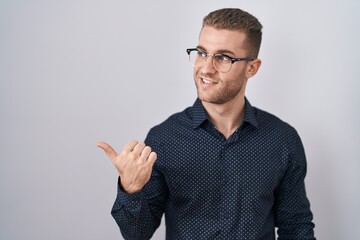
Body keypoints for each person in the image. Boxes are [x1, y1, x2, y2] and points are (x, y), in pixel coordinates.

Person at [97, 8, 316, 239]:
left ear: (251, 67)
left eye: (223, 57)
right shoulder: (164, 139)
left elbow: (296, 227)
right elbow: (136, 234)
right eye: (202, 53)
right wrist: (131, 190)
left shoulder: (282, 139)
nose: (206, 68)